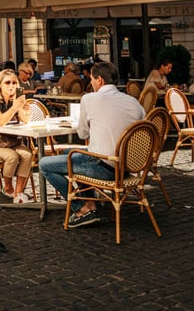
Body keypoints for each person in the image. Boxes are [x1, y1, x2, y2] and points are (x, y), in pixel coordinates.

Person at [38, 61, 144, 228]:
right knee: (68, 151)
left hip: (103, 167)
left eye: (92, 80)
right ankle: (91, 200)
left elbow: (82, 134)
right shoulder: (134, 102)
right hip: (129, 167)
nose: (91, 83)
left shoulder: (89, 98)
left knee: (44, 164)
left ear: (99, 80)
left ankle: (82, 208)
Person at [0, 69, 34, 202]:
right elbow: (0, 121)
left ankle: (18, 193)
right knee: (12, 156)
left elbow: (25, 121)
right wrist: (14, 108)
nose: (11, 86)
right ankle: (8, 188)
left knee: (27, 154)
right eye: (7, 83)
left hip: (11, 141)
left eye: (14, 82)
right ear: (0, 85)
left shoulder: (16, 100)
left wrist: (23, 109)